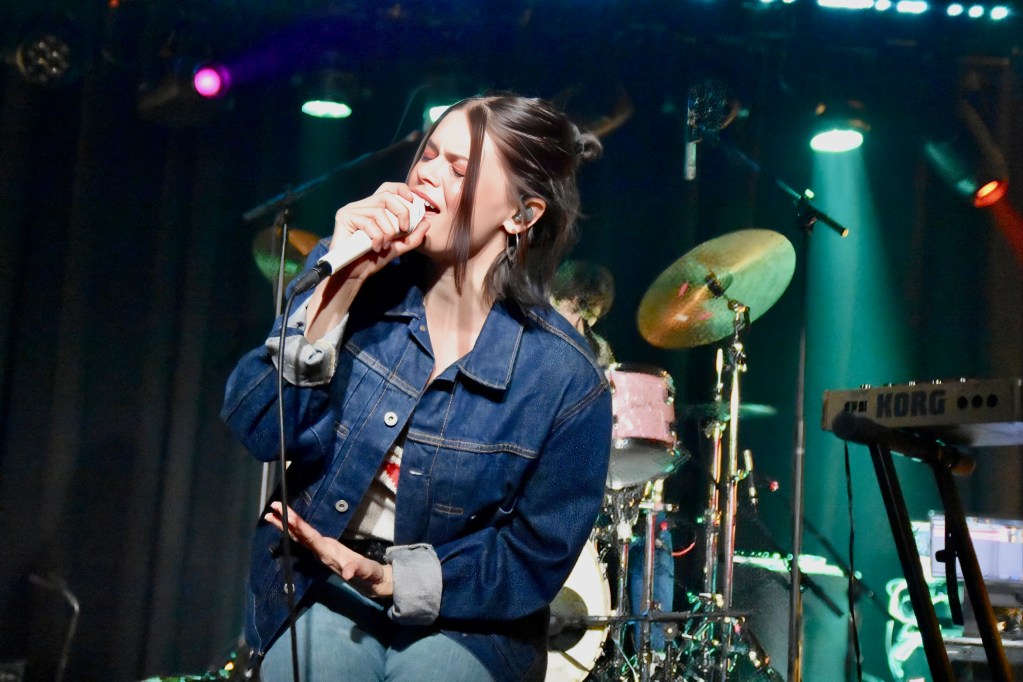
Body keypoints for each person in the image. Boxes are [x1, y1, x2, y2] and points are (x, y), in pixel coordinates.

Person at [221, 94, 611, 682]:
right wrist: (339, 291)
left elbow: (533, 556)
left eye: (460, 170)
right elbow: (256, 426)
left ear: (522, 216)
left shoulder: (564, 378)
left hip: (469, 620)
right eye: (427, 155)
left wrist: (391, 579)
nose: (427, 174)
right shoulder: (349, 277)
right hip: (321, 589)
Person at [550, 260, 675, 657]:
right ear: (555, 299)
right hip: (545, 471)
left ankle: (650, 655)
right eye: (574, 310)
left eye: (589, 315)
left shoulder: (600, 350)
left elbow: (614, 416)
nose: (581, 322)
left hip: (590, 467)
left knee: (654, 528)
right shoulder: (530, 338)